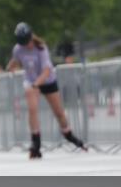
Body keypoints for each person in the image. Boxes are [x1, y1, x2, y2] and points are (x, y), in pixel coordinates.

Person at [7, 22, 87, 158]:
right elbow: (16, 60)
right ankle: (35, 143)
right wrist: (10, 67)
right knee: (32, 110)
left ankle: (68, 134)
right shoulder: (18, 49)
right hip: (31, 81)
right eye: (23, 44)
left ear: (31, 37)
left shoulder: (41, 48)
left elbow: (47, 70)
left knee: (59, 113)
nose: (27, 46)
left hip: (47, 80)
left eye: (27, 42)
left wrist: (37, 84)